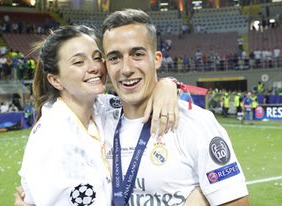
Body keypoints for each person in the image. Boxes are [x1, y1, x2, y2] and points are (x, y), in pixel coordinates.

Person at [101, 9, 248, 206]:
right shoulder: (98, 121)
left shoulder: (196, 123)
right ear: (105, 65)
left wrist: (169, 83)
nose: (126, 69)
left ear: (157, 59)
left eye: (137, 54)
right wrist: (170, 83)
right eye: (114, 58)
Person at [19, 25, 179, 206]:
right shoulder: (53, 137)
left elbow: (139, 99)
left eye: (97, 58)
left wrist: (168, 85)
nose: (94, 67)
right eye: (79, 62)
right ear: (56, 80)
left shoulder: (103, 107)